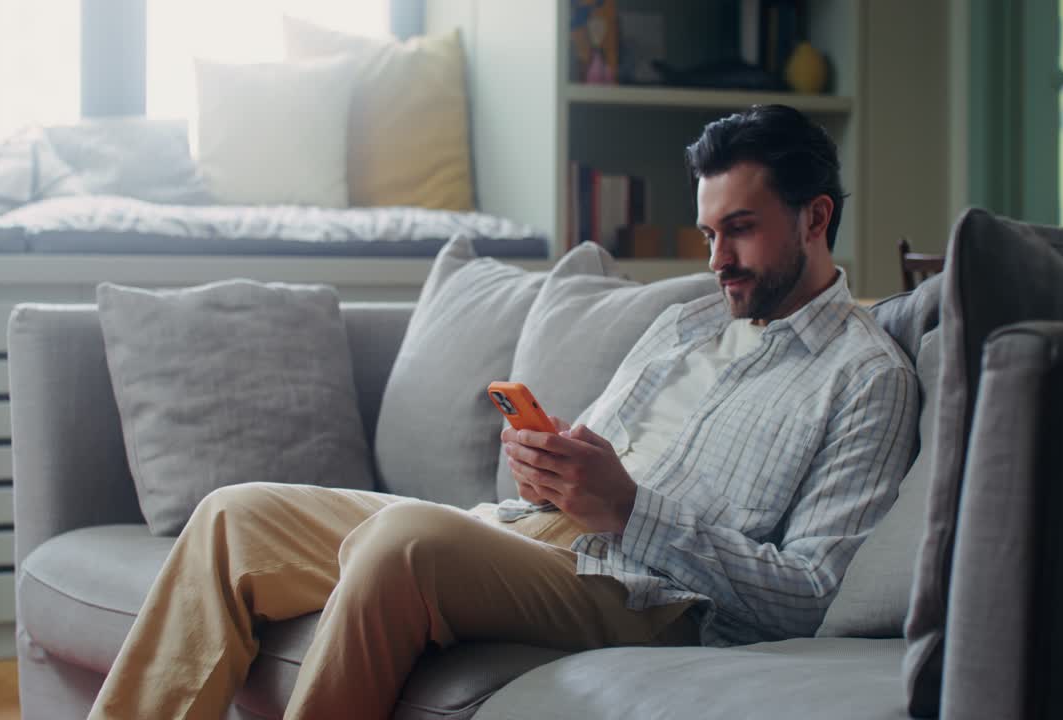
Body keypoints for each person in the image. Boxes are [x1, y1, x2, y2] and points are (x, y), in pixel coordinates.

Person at [89, 104, 918, 720]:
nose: (717, 262)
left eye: (739, 230)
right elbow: (594, 455)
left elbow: (814, 596)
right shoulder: (687, 321)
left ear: (816, 218)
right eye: (708, 234)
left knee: (402, 543)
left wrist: (630, 509)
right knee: (233, 515)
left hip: (647, 596)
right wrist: (553, 463)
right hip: (531, 536)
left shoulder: (866, 376)